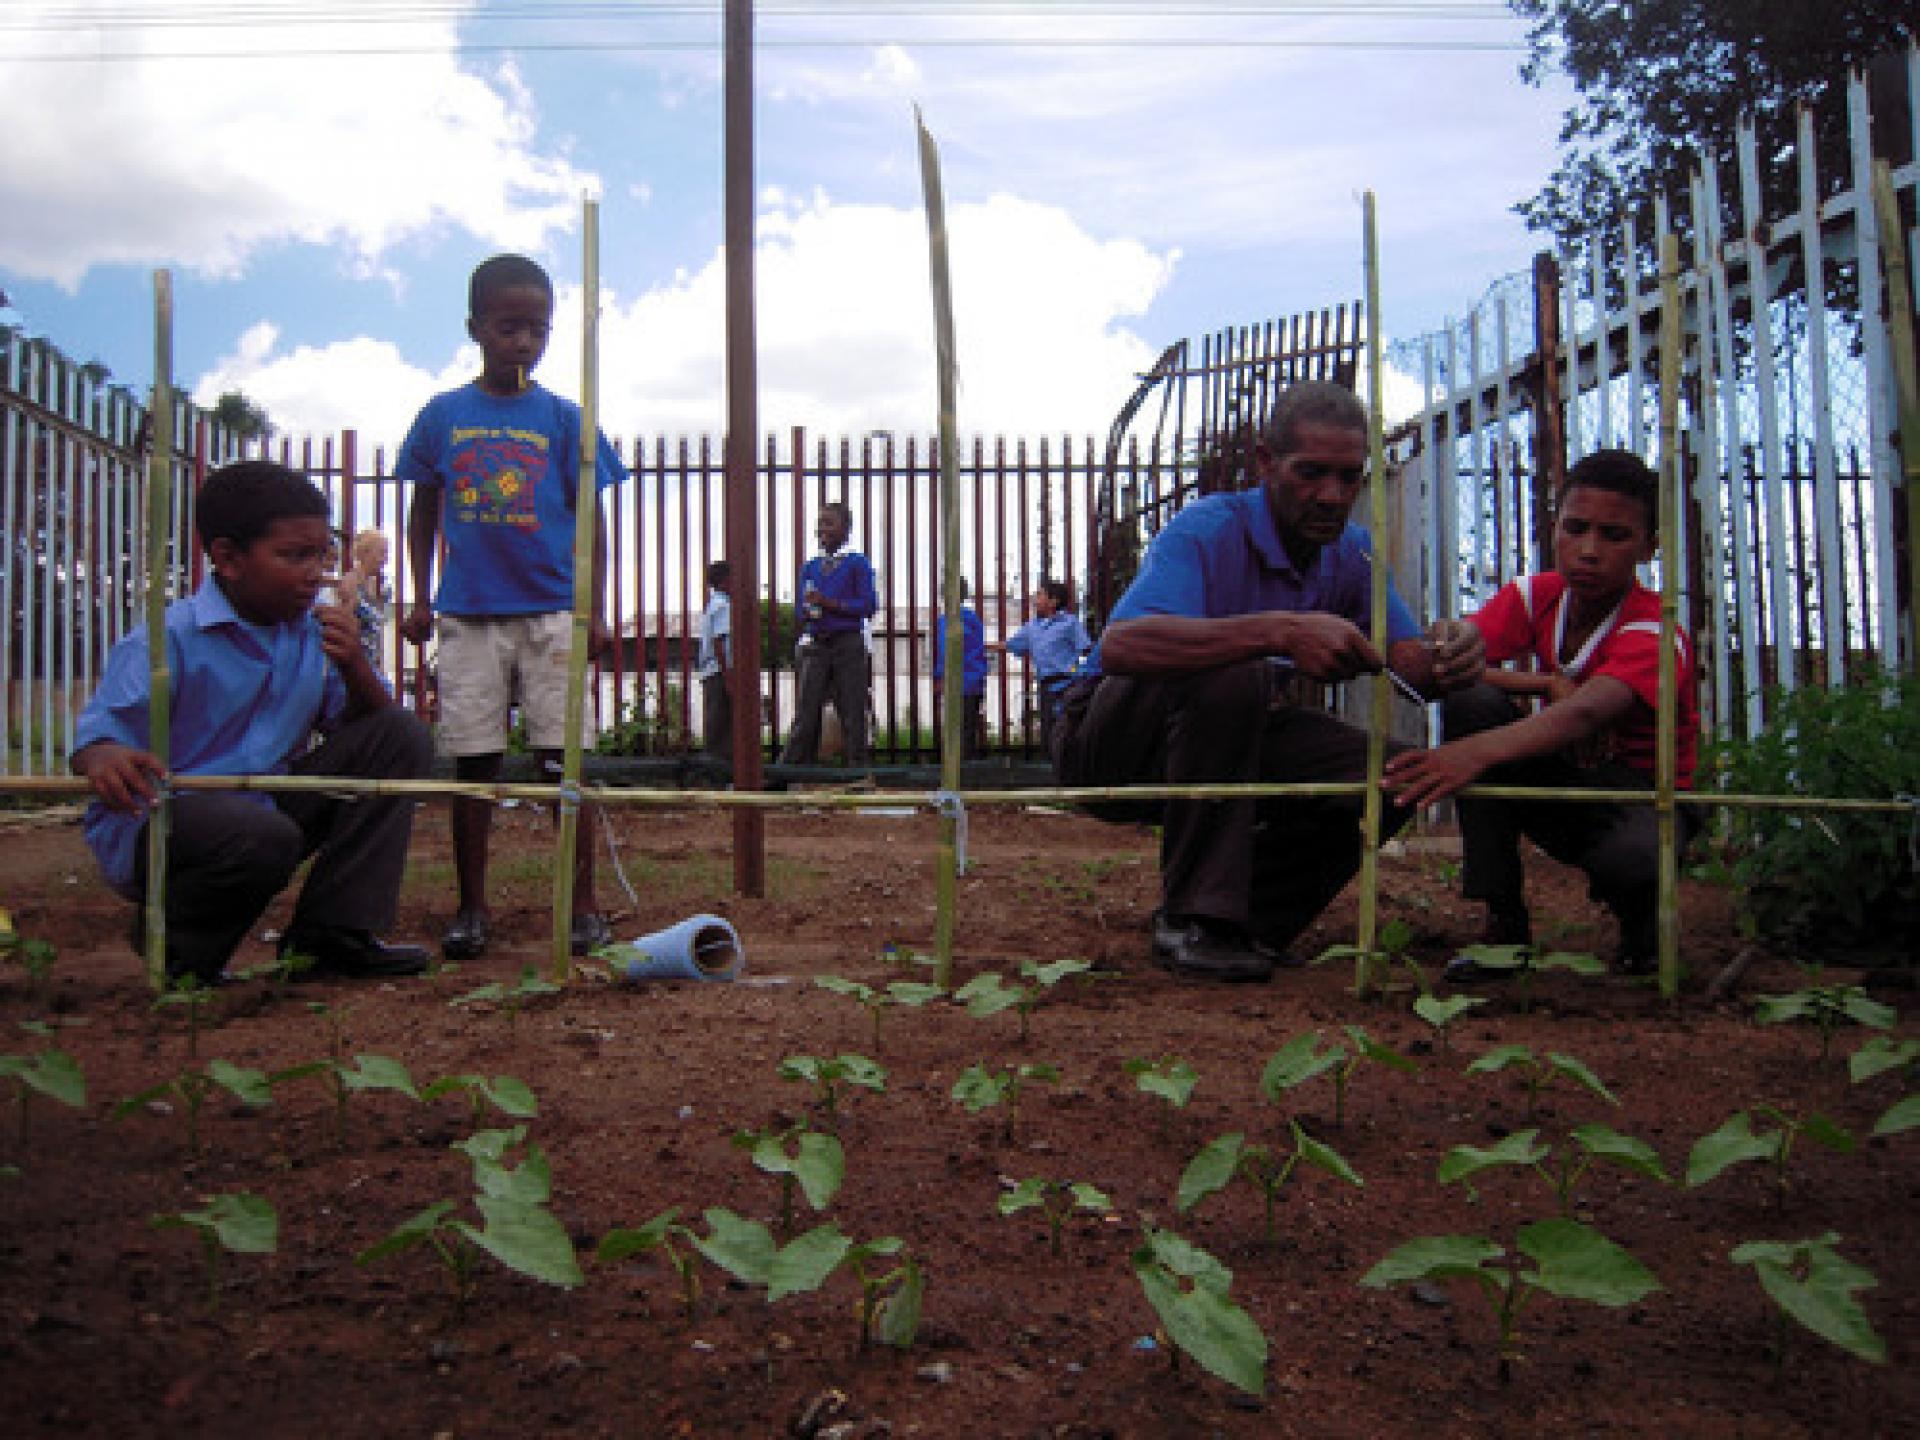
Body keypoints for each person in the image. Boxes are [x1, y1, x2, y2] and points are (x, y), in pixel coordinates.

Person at [1051, 382, 1484, 982]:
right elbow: (1123, 645)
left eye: (1348, 477)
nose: (1332, 496)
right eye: (1310, 473)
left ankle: (1244, 919)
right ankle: (1192, 919)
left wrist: (1452, 651)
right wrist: (1279, 632)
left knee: (1395, 778)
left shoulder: (1353, 556)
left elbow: (1411, 665)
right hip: (1108, 746)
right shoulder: (1207, 527)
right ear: (1264, 463)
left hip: (1229, 739)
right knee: (1235, 672)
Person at [69, 460, 434, 984]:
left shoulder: (314, 634)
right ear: (227, 558)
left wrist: (356, 667)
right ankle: (179, 954)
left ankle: (333, 936)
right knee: (258, 833)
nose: (315, 573)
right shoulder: (169, 638)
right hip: (167, 822)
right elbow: (99, 736)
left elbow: (364, 732)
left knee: (401, 736)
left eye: (321, 556)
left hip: (265, 811)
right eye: (293, 556)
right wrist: (102, 754)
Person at [1382, 448, 1700, 976]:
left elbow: (1586, 713)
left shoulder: (1655, 629)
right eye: (1575, 529)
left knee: (1637, 859)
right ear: (1555, 529)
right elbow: (1464, 650)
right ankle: (1502, 922)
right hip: (1566, 784)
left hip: (1642, 798)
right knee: (1471, 699)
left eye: (1614, 536)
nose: (1589, 551)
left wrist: (1468, 755)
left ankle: (1643, 929)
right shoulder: (1538, 596)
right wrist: (1456, 641)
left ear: (1650, 547)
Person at [398, 253, 628, 961]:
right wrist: (416, 594)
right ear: (476, 327)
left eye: (537, 328)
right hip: (469, 613)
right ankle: (471, 907)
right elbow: (422, 511)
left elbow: (593, 523)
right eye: (508, 326)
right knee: (474, 765)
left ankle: (582, 902)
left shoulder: (564, 419)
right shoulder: (444, 416)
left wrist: (597, 608)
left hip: (553, 612)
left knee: (566, 765)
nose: (523, 341)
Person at [779, 500, 877, 766]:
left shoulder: (858, 564)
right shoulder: (810, 567)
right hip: (817, 644)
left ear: (846, 528)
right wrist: (807, 612)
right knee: (806, 713)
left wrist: (829, 604)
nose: (823, 529)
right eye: (820, 523)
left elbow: (868, 606)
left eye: (829, 523)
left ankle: (858, 774)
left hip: (848, 644)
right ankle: (787, 774)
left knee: (852, 712)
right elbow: (802, 608)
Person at [991, 579, 1092, 747]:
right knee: (1049, 729)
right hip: (1046, 685)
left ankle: (1070, 766)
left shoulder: (1070, 623)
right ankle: (1052, 766)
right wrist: (982, 645)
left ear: (1053, 601)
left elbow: (1087, 649)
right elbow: (1009, 645)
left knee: (1067, 728)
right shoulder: (1032, 627)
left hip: (1068, 683)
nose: (1035, 599)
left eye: (1039, 595)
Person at [931, 583, 988, 760]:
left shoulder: (946, 621)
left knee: (954, 728)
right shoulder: (973, 619)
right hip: (974, 680)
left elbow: (945, 652)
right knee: (968, 727)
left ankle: (956, 768)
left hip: (956, 681)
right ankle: (967, 766)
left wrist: (939, 677)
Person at [333, 527, 392, 674]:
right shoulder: (351, 582)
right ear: (365, 553)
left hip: (372, 660)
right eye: (382, 553)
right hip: (354, 661)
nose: (385, 559)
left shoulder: (378, 586)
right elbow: (343, 621)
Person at [696, 560, 734, 760]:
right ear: (723, 582)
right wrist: (728, 677)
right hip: (719, 672)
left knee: (717, 721)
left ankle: (716, 768)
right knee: (720, 724)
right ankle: (716, 770)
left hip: (714, 671)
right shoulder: (723, 605)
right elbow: (719, 642)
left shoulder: (714, 604)